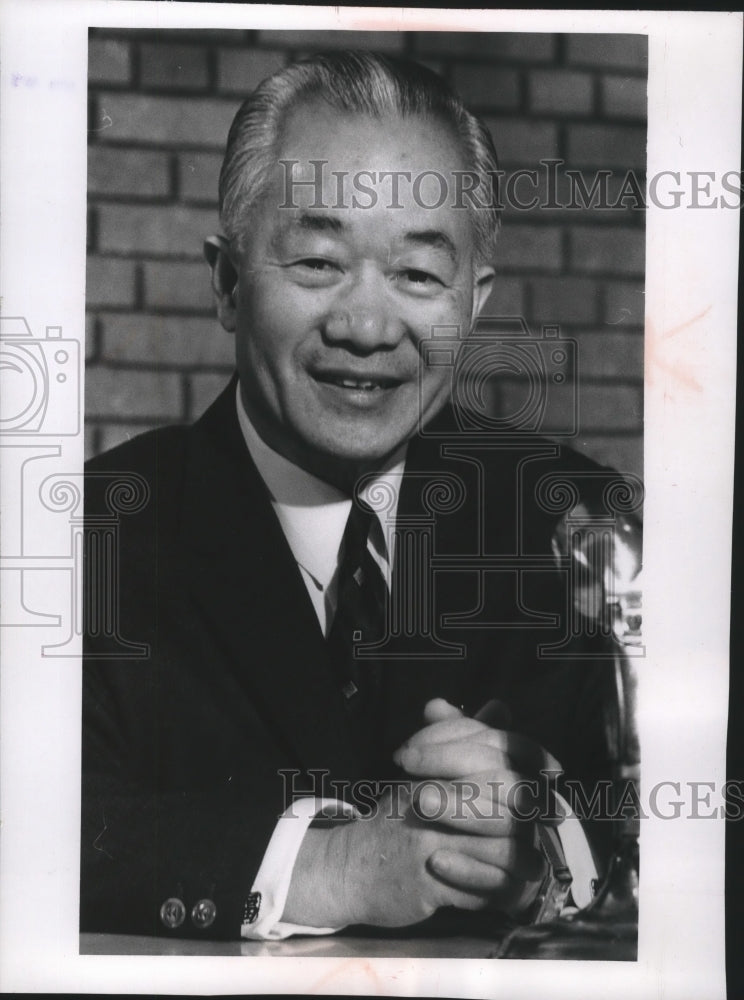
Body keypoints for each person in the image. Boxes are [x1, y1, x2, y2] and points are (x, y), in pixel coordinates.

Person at [81, 51, 620, 943]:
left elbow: (673, 815)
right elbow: (30, 828)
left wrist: (551, 837)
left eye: (417, 275)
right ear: (226, 282)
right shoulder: (89, 531)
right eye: (319, 262)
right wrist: (329, 867)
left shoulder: (570, 519)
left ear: (473, 303)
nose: (367, 328)